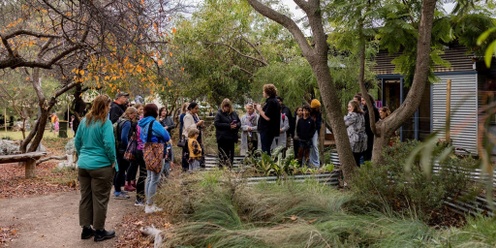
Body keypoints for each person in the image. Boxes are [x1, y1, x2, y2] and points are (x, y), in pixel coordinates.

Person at [74, 94, 116, 242]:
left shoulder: (85, 121)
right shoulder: (106, 123)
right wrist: (113, 161)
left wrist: (82, 156)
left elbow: (77, 141)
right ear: (105, 106)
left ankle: (86, 229)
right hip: (101, 165)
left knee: (85, 197)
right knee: (100, 199)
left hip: (84, 165)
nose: (110, 107)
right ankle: (99, 231)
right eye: (109, 105)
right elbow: (109, 145)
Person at [138, 103, 170, 214]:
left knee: (150, 177)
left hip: (147, 151)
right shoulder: (154, 123)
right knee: (155, 178)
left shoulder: (143, 122)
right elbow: (166, 136)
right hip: (157, 151)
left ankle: (148, 203)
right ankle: (150, 205)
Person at [114, 107, 138, 199]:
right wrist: (128, 146)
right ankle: (117, 191)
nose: (134, 117)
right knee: (121, 170)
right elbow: (124, 137)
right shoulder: (127, 123)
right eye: (134, 115)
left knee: (119, 170)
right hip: (123, 149)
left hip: (119, 148)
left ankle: (118, 189)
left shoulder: (121, 120)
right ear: (130, 114)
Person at [214, 98, 241, 167]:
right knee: (222, 153)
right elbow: (217, 124)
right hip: (223, 137)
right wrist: (228, 126)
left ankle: (230, 166)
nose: (226, 108)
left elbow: (239, 122)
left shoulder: (234, 113)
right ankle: (222, 166)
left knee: (231, 153)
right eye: (225, 106)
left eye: (228, 106)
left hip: (231, 137)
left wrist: (236, 125)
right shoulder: (219, 114)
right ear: (223, 106)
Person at [255, 84, 281, 156]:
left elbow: (267, 117)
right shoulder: (273, 101)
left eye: (264, 91)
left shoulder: (271, 102)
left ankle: (267, 164)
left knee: (265, 149)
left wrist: (259, 109)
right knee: (266, 147)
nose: (263, 93)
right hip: (269, 129)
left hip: (267, 129)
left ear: (267, 92)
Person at [132, 104, 147, 206]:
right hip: (142, 149)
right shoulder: (143, 123)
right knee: (143, 174)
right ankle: (140, 198)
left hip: (139, 149)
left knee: (143, 174)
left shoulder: (139, 121)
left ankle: (141, 197)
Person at [344, 100, 367, 167]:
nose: (348, 109)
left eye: (349, 107)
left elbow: (344, 122)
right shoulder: (361, 114)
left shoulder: (353, 115)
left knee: (354, 159)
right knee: (358, 159)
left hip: (354, 140)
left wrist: (347, 115)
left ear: (354, 107)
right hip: (362, 140)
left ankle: (355, 175)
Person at [361, 94, 380, 162]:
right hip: (366, 135)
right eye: (361, 100)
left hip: (369, 135)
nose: (362, 102)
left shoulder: (372, 110)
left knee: (368, 153)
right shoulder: (366, 110)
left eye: (363, 100)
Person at [309, 99, 322, 167]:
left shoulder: (318, 113)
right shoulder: (309, 113)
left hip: (315, 131)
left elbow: (319, 123)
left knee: (314, 145)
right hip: (309, 131)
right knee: (310, 146)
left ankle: (317, 163)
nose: (318, 108)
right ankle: (310, 162)